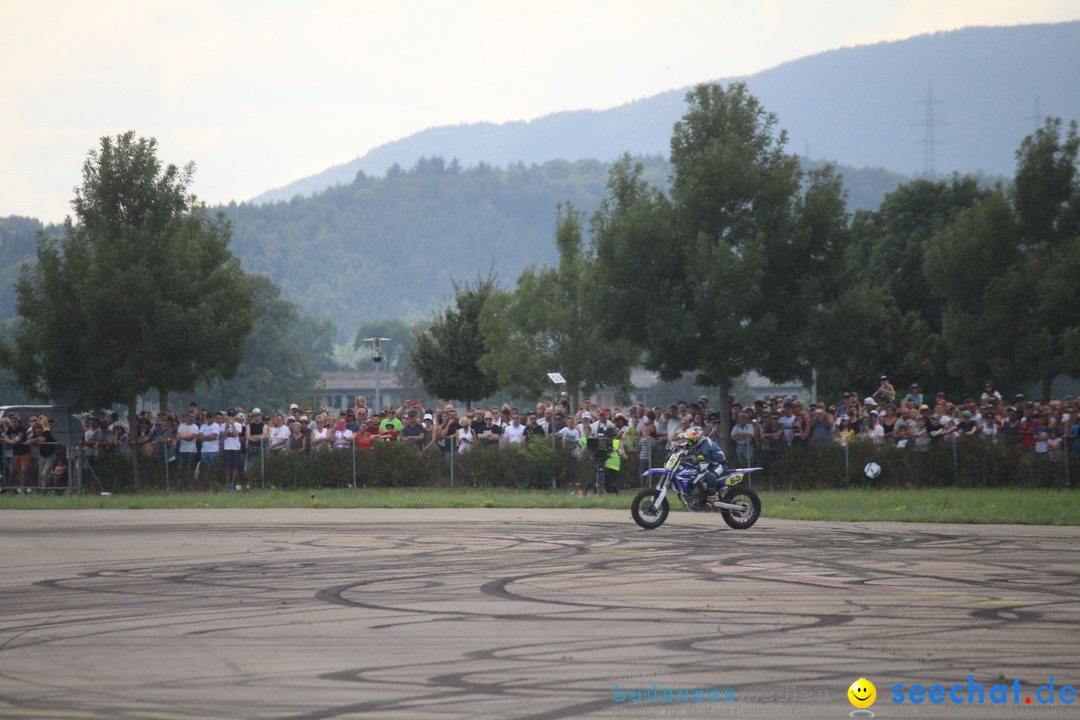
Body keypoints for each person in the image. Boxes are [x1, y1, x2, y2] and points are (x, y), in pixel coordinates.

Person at [685, 425, 728, 492]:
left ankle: (711, 497)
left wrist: (693, 484)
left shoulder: (704, 449)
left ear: (697, 439)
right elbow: (685, 446)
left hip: (720, 465)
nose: (689, 442)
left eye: (690, 440)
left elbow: (703, 471)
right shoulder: (700, 442)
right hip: (710, 464)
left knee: (709, 476)